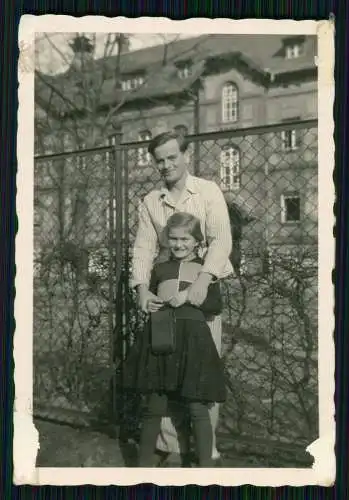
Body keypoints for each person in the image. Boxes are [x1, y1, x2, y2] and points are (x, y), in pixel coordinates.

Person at [131, 125, 233, 465]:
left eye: (172, 157)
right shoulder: (150, 201)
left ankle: (206, 450)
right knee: (165, 370)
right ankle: (174, 447)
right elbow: (144, 249)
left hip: (201, 290)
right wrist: (142, 290)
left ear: (185, 156)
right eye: (159, 160)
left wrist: (203, 279)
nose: (166, 165)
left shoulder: (207, 191)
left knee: (201, 371)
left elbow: (221, 240)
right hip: (165, 294)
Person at [124, 212, 227, 467]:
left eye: (185, 239)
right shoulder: (159, 269)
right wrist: (150, 301)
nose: (179, 244)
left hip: (192, 343)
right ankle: (142, 470)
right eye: (174, 239)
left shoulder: (206, 270)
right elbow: (147, 296)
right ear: (167, 240)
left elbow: (215, 304)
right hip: (161, 339)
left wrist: (188, 295)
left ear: (196, 241)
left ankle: (206, 469)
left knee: (197, 407)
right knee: (154, 407)